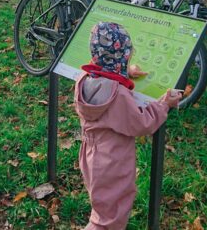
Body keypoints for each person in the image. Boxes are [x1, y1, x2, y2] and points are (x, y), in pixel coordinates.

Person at [74, 22, 182, 229]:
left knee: (102, 209)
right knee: (108, 220)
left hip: (91, 155)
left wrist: (124, 73)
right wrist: (164, 104)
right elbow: (142, 124)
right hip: (112, 161)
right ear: (122, 55)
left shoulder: (84, 79)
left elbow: (103, 72)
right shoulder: (119, 95)